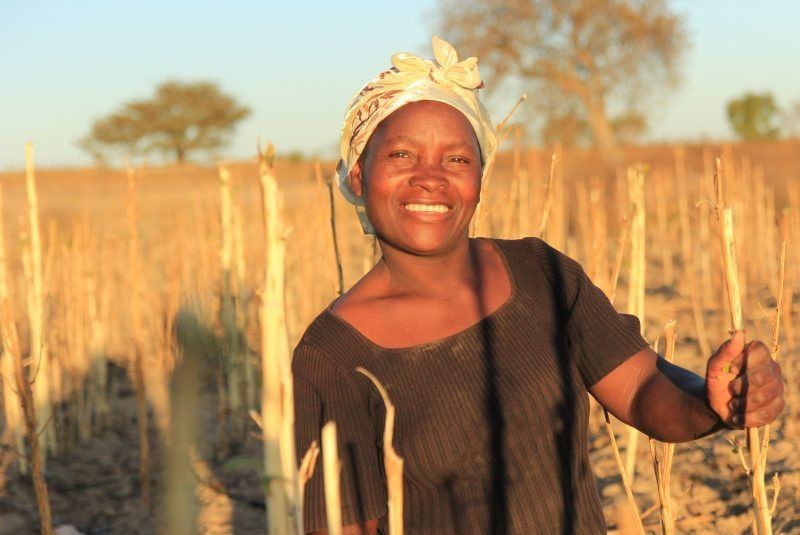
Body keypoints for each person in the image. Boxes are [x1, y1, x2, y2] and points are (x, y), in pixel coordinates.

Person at [292, 36, 785, 534]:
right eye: (402, 155)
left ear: (480, 177)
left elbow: (640, 389)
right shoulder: (331, 355)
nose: (430, 178)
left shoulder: (539, 273)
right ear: (359, 175)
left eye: (457, 159)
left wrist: (713, 402)